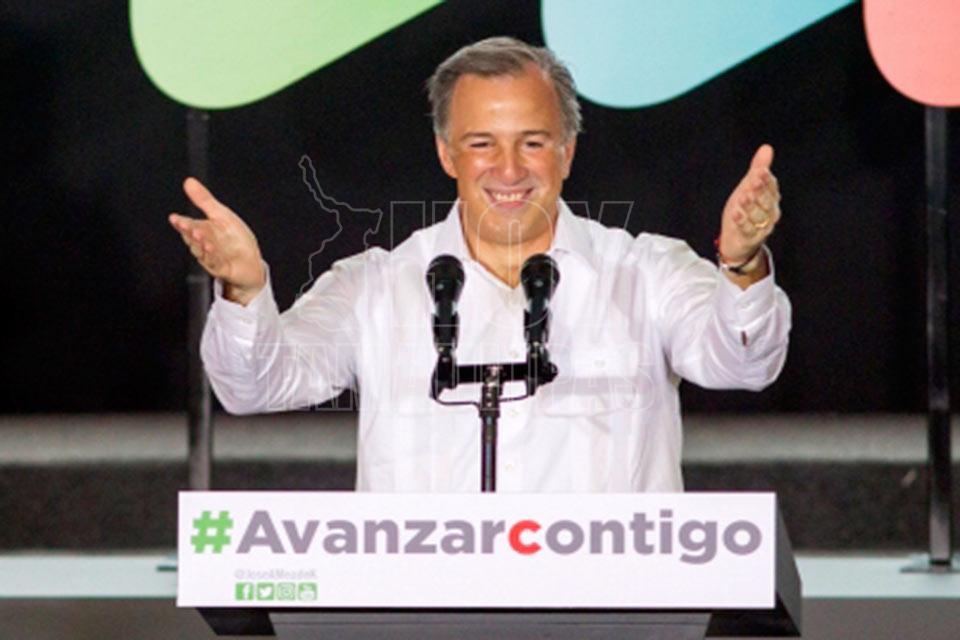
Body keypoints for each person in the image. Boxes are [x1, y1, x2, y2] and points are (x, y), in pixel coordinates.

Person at [168, 37, 790, 493]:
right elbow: (254, 387)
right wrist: (243, 289)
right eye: (482, 144)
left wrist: (741, 266)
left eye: (533, 143)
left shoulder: (646, 272)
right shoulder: (375, 286)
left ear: (567, 152)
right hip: (421, 606)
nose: (509, 169)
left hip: (609, 606)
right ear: (447, 154)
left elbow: (743, 364)